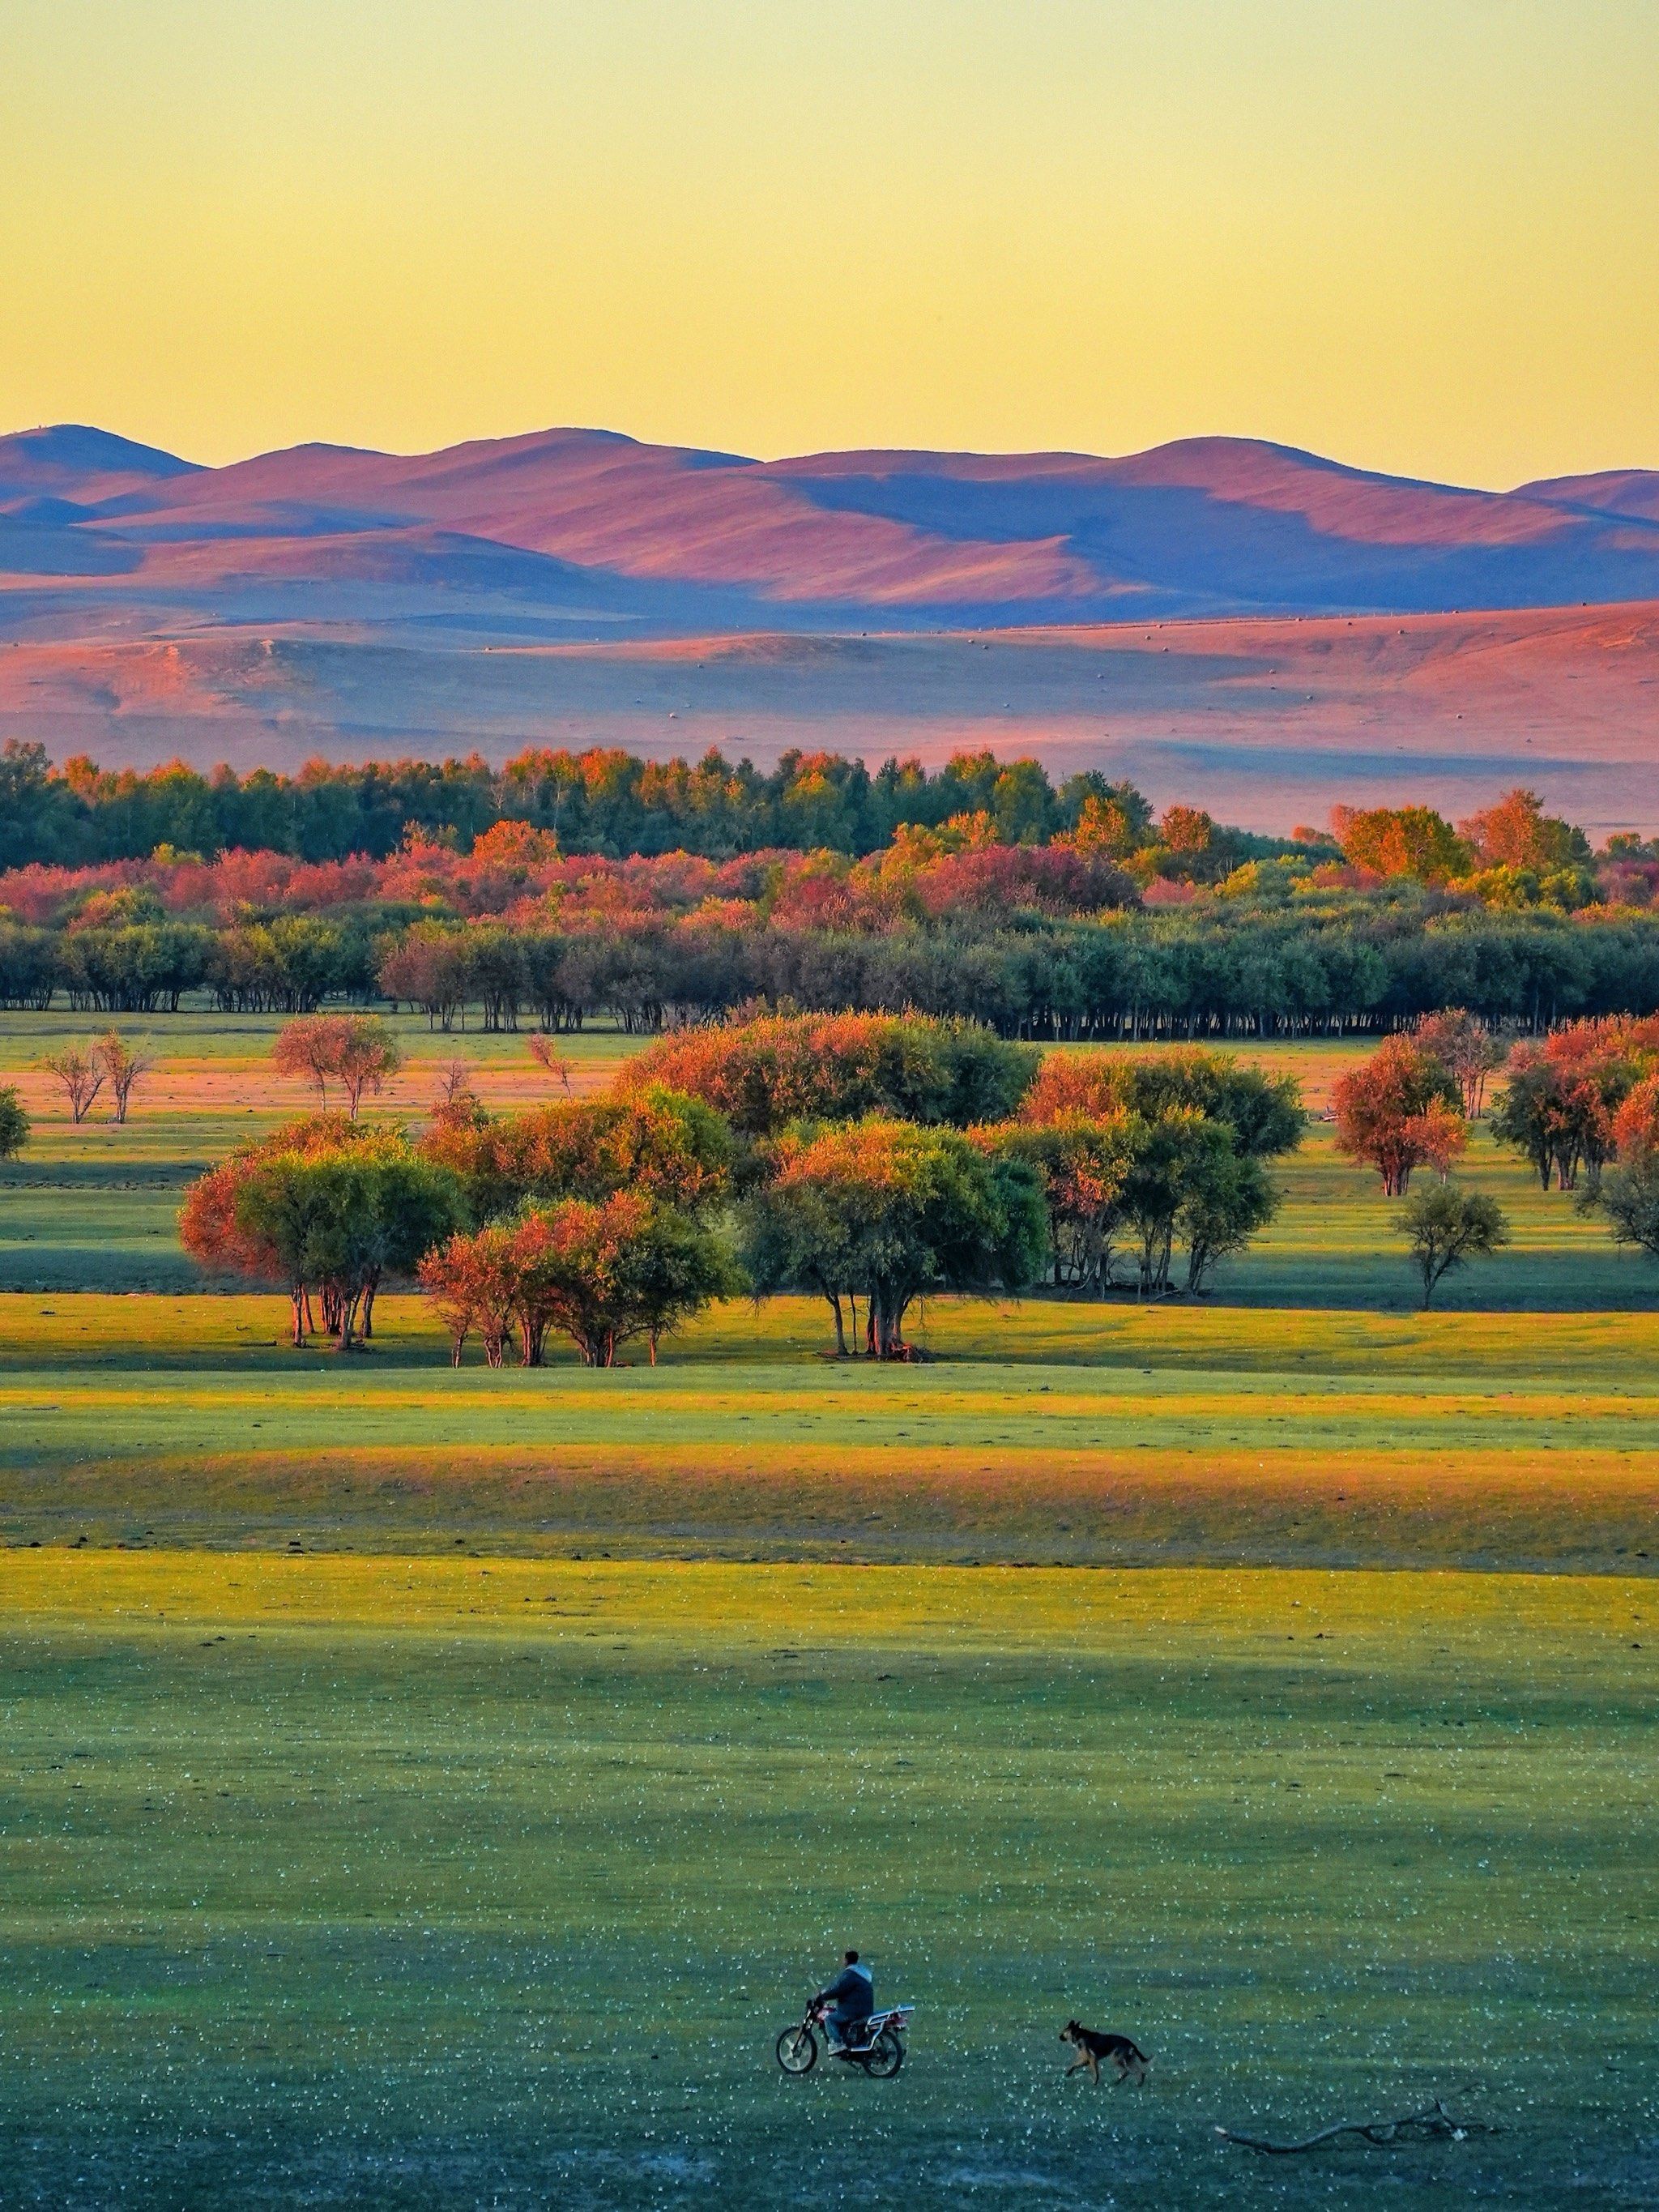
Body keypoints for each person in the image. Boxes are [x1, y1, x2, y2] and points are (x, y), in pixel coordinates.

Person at [817, 1949, 874, 2052]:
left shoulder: (850, 1975)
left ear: (846, 1960)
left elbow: (838, 1990)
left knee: (830, 2018)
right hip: (866, 2009)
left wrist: (823, 1996)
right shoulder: (862, 1973)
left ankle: (838, 2044)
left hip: (853, 2010)